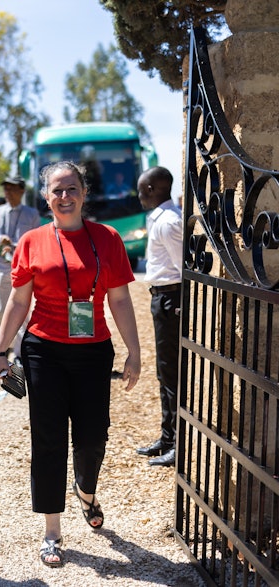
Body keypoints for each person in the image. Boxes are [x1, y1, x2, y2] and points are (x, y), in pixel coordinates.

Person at [0, 161, 140, 568]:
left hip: (94, 351)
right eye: (56, 190)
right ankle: (52, 531)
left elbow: (121, 299)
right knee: (49, 439)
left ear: (84, 192)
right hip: (44, 351)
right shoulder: (32, 241)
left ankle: (86, 490)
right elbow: (18, 301)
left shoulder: (108, 239)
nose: (64, 196)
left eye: (71, 188)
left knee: (93, 437)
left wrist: (135, 351)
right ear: (46, 196)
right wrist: (1, 352)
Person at [135, 166, 183, 467]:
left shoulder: (168, 222)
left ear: (152, 189)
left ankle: (178, 444)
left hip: (170, 298)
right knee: (163, 371)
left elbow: (183, 269)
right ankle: (167, 437)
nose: (138, 195)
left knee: (173, 373)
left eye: (141, 189)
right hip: (160, 297)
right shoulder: (159, 219)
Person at [0, 176, 41, 354]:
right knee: (1, 312)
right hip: (2, 269)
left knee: (22, 314)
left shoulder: (32, 214)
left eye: (12, 188)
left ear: (22, 191)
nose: (8, 192)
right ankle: (8, 343)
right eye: (6, 189)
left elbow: (37, 242)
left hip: (24, 270)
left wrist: (16, 246)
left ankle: (19, 354)